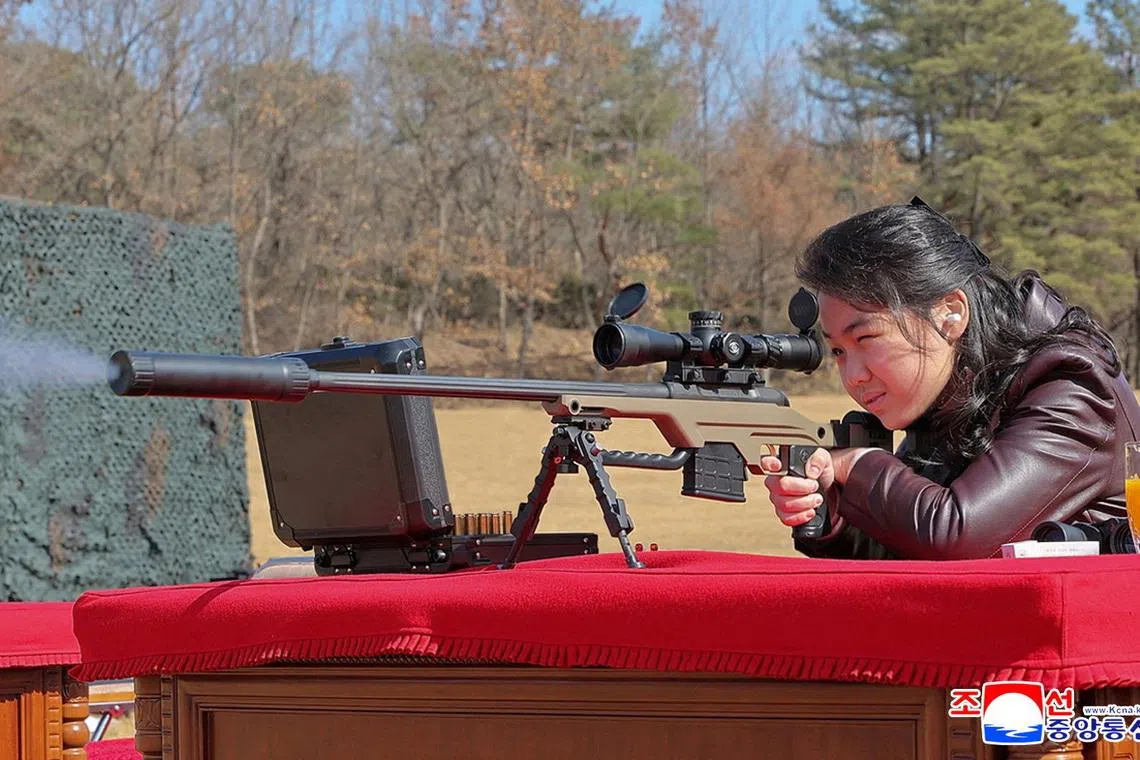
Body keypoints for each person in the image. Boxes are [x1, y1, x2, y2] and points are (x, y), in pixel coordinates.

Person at [759, 197, 1140, 560]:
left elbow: (958, 534)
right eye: (838, 352)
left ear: (950, 314)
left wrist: (857, 465)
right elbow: (907, 554)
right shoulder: (950, 391)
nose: (853, 377)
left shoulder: (1069, 383)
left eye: (866, 339)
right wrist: (832, 508)